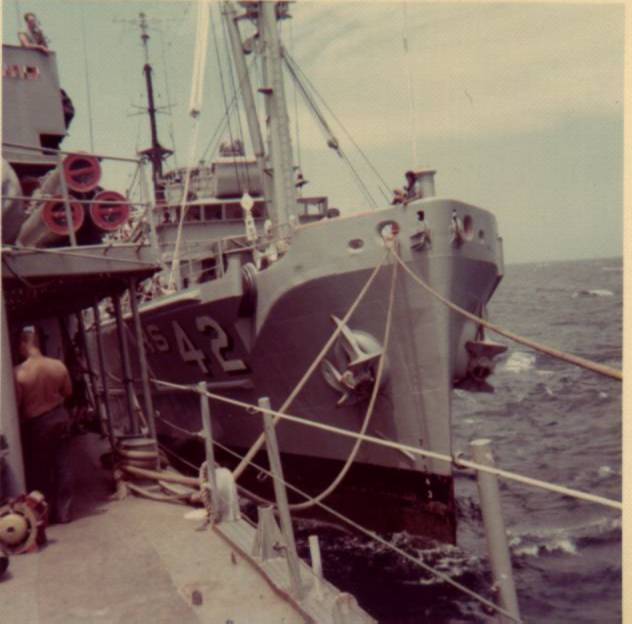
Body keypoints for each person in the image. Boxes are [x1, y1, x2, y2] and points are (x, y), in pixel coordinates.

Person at [14, 326, 74, 524]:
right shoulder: (58, 365)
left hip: (37, 423)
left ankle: (42, 514)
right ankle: (64, 513)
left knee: (40, 469)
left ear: (24, 343)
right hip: (59, 417)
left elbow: (17, 404)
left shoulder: (19, 373)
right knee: (63, 465)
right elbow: (68, 393)